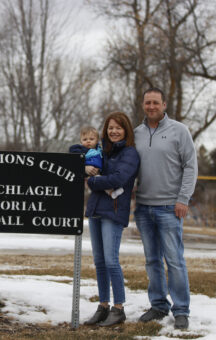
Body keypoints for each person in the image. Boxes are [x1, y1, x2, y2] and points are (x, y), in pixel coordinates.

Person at [134, 87, 197, 330]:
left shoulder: (179, 131)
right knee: (152, 260)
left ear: (164, 105)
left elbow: (190, 166)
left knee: (174, 260)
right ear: (143, 105)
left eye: (155, 102)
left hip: (170, 207)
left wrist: (183, 199)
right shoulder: (137, 134)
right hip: (143, 208)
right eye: (147, 102)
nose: (151, 106)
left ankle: (181, 310)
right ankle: (159, 305)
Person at [82, 112, 140, 326]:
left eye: (118, 127)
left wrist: (94, 181)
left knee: (111, 261)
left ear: (126, 130)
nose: (114, 131)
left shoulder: (130, 154)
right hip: (96, 209)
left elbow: (119, 179)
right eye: (110, 128)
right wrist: (86, 170)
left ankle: (119, 308)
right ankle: (103, 305)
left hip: (114, 212)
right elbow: (87, 168)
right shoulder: (101, 151)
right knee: (99, 262)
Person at [69, 126, 124, 199]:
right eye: (85, 139)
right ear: (81, 141)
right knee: (99, 180)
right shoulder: (81, 150)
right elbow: (73, 158)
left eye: (91, 139)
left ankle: (114, 189)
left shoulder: (99, 149)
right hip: (89, 173)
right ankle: (111, 192)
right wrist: (84, 167)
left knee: (105, 178)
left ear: (97, 140)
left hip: (99, 170)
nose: (88, 141)